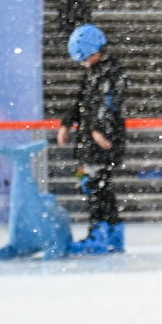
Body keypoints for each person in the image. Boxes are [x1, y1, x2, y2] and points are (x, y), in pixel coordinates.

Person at [57, 25, 128, 256]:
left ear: (98, 50)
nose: (84, 63)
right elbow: (81, 102)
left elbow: (108, 104)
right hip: (89, 142)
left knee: (97, 187)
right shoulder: (92, 74)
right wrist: (66, 124)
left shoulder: (112, 73)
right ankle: (113, 232)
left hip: (102, 142)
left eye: (86, 58)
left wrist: (98, 129)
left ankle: (98, 234)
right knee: (99, 186)